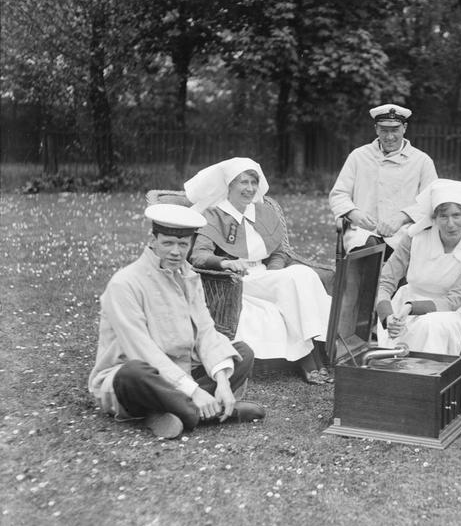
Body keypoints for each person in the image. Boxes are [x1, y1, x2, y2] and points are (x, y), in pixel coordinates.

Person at [88, 204, 265, 440]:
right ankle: (204, 412)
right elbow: (142, 350)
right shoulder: (125, 283)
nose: (176, 252)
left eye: (183, 244)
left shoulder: (188, 276)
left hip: (181, 374)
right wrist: (195, 391)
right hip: (138, 377)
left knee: (242, 353)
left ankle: (171, 412)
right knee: (132, 372)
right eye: (168, 243)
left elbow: (205, 331)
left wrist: (222, 381)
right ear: (153, 240)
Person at [185, 157, 332, 385]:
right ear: (230, 186)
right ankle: (311, 362)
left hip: (266, 276)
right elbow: (198, 255)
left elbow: (279, 251)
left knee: (302, 275)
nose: (250, 189)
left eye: (254, 182)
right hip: (238, 280)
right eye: (243, 182)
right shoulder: (214, 216)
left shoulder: (263, 212)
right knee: (295, 280)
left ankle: (312, 355)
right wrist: (225, 263)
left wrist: (274, 271)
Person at [375, 179, 461, 356]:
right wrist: (388, 316)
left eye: (457, 215)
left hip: (448, 312)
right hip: (402, 308)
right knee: (398, 358)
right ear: (434, 218)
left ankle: (430, 378)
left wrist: (411, 308)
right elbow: (384, 282)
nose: (450, 224)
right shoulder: (414, 238)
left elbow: (453, 300)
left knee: (430, 325)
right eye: (443, 216)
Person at [329, 103, 438, 254]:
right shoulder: (358, 156)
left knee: (406, 251)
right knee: (367, 249)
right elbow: (339, 194)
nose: (389, 137)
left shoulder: (422, 161)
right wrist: (353, 213)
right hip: (363, 232)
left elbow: (432, 201)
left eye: (395, 130)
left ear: (404, 128)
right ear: (376, 129)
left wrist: (403, 217)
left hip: (405, 232)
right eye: (384, 130)